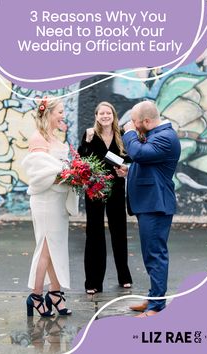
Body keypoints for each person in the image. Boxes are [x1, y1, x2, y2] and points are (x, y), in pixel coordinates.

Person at [116, 100, 181, 317]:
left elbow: (140, 154)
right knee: (150, 254)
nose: (132, 125)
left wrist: (130, 133)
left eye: (134, 122)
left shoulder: (166, 137)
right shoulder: (156, 136)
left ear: (145, 121)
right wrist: (130, 171)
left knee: (155, 255)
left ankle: (156, 306)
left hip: (156, 205)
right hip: (149, 204)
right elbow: (146, 162)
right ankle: (154, 297)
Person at [22, 96, 78, 317]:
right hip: (45, 201)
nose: (63, 115)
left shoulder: (54, 137)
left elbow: (59, 169)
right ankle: (36, 296)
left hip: (57, 202)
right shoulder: (38, 139)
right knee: (45, 249)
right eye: (60, 112)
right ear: (49, 113)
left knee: (56, 248)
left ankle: (55, 293)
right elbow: (38, 174)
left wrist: (74, 175)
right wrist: (68, 176)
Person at [78, 101, 132, 294]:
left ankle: (124, 276)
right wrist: (87, 140)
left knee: (119, 232)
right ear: (96, 116)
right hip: (95, 188)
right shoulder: (90, 134)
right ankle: (92, 282)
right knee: (94, 233)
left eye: (108, 113)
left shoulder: (122, 136)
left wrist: (125, 171)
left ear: (113, 115)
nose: (105, 116)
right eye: (101, 113)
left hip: (116, 188)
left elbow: (130, 159)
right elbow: (81, 158)